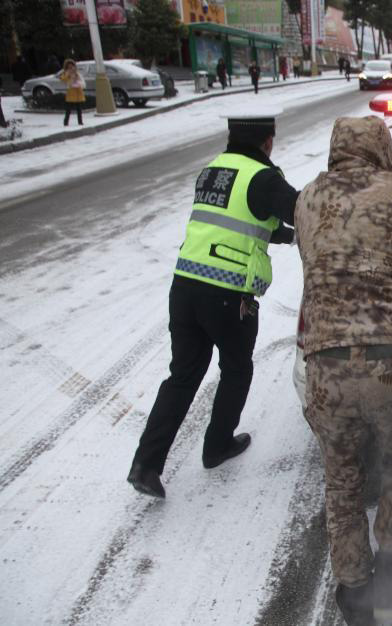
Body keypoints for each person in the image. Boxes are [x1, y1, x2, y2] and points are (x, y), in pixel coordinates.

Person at [294, 116, 392, 626]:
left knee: (342, 481)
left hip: (326, 361)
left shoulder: (307, 197)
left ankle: (355, 596)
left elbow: (317, 269)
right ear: (383, 147)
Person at [127, 107, 298, 499]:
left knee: (182, 376)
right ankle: (217, 444)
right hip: (227, 293)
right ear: (267, 140)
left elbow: (242, 220)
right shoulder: (263, 177)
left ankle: (146, 465)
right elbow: (303, 211)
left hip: (184, 287)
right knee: (237, 368)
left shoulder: (213, 170)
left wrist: (286, 238)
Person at [58, 59, 85, 127]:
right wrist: (68, 74)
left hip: (78, 92)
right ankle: (66, 122)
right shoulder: (66, 73)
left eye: (72, 66)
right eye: (69, 66)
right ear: (66, 67)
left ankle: (80, 122)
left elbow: (82, 81)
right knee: (68, 109)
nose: (71, 67)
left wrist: (76, 77)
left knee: (79, 109)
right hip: (71, 92)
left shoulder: (77, 73)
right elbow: (62, 79)